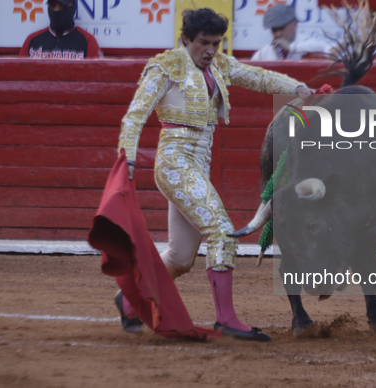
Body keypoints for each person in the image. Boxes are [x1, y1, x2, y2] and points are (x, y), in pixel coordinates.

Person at [115, 7, 312, 341]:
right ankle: (226, 318)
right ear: (186, 39)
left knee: (180, 257)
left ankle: (129, 302)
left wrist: (298, 88)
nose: (210, 50)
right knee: (222, 231)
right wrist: (127, 157)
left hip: (197, 165)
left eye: (216, 43)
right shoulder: (166, 66)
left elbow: (256, 77)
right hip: (175, 163)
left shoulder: (218, 64)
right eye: (203, 43)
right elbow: (135, 116)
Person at [19, 0, 102, 59]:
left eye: (63, 6)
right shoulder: (33, 40)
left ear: (73, 7)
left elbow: (98, 78)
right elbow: (18, 76)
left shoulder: (88, 41)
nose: (57, 10)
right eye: (53, 6)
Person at [251, 4, 333, 61]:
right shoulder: (263, 53)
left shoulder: (307, 41)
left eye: (281, 28)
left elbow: (326, 47)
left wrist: (291, 48)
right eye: (274, 29)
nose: (277, 34)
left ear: (295, 23)